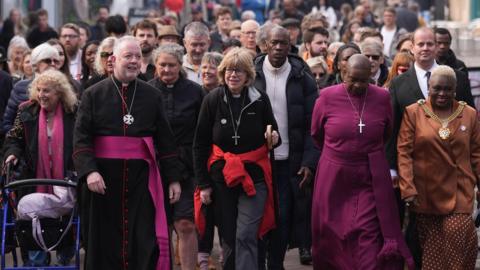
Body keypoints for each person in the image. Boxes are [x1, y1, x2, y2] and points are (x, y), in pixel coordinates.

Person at [73, 36, 182, 270]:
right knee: (103, 242)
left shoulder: (152, 95)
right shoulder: (93, 94)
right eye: (128, 56)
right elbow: (81, 138)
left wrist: (173, 179)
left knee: (144, 239)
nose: (134, 61)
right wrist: (89, 172)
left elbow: (165, 140)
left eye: (138, 57)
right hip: (102, 180)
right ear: (113, 60)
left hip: (142, 180)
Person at [311, 54, 414, 269]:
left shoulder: (382, 97)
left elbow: (386, 132)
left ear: (372, 77)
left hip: (369, 175)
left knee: (368, 236)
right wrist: (340, 153)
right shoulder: (326, 97)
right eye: (353, 79)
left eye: (363, 80)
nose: (358, 85)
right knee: (333, 236)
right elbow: (316, 134)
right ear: (343, 74)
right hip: (335, 177)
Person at [387, 27, 475, 268]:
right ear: (412, 48)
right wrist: (400, 177)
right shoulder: (401, 88)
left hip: (459, 185)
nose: (442, 93)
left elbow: (475, 144)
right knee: (428, 248)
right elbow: (396, 138)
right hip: (422, 184)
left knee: (460, 238)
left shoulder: (462, 88)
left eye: (430, 44)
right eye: (421, 44)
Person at [193, 47, 279, 270]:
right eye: (230, 70)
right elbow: (200, 144)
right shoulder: (212, 100)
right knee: (229, 236)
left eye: (239, 70)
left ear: (248, 75)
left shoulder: (260, 100)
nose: (234, 75)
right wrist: (203, 184)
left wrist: (274, 137)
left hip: (254, 176)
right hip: (222, 178)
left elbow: (273, 136)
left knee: (246, 234)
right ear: (223, 73)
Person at [254, 26, 319, 268]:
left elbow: (312, 125)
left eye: (284, 43)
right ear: (266, 45)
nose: (279, 48)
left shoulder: (302, 77)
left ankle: (276, 263)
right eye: (275, 43)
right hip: (256, 160)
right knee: (258, 216)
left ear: (290, 46)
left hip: (288, 162)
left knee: (282, 217)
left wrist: (308, 162)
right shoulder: (252, 72)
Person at [3, 69, 78, 266]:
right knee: (31, 213)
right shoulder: (26, 110)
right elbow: (14, 138)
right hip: (34, 174)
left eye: (47, 91)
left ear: (59, 93)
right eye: (39, 90)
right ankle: (37, 260)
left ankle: (65, 255)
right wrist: (12, 153)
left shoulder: (74, 112)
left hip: (67, 175)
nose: (41, 95)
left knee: (65, 216)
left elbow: (83, 139)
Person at [148, 43, 204, 270]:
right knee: (161, 226)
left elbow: (203, 131)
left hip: (187, 165)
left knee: (185, 223)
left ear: (181, 65)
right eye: (162, 65)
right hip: (155, 165)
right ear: (155, 65)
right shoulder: (146, 90)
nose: (167, 70)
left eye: (172, 65)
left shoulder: (195, 91)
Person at [2, 43, 60, 135]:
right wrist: (19, 141)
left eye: (56, 61)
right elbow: (7, 123)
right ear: (36, 64)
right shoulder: (20, 87)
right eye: (48, 60)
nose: (53, 64)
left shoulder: (67, 88)